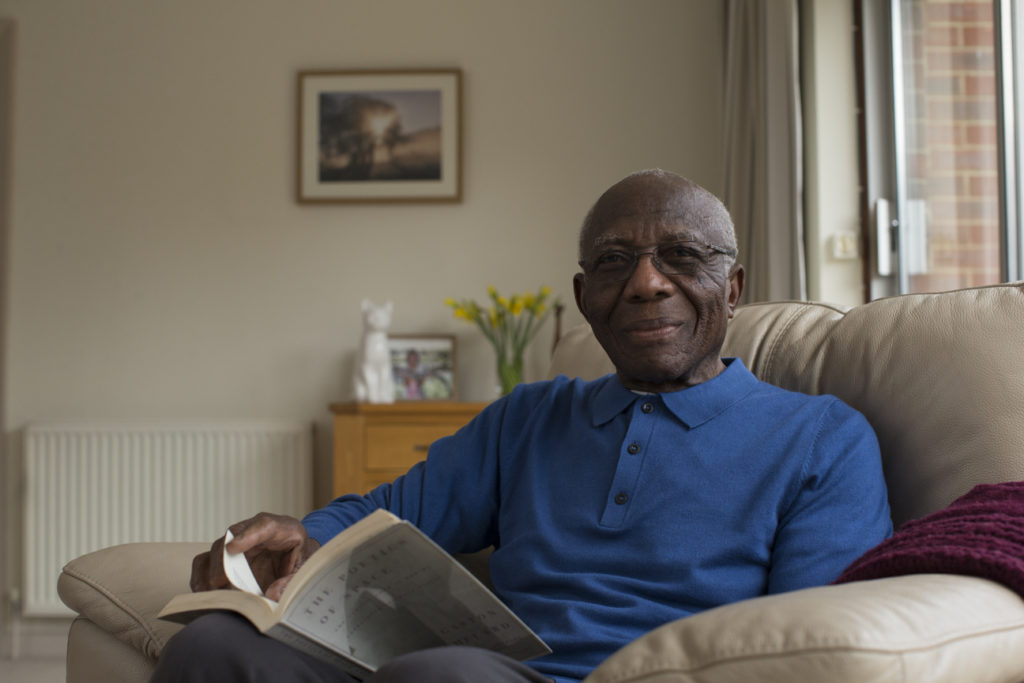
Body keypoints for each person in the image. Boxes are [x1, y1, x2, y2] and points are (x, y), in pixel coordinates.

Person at [153, 170, 892, 683]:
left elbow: (810, 645)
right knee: (214, 648)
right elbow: (391, 515)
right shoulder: (528, 416)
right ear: (584, 295)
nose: (645, 281)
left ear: (732, 288)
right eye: (614, 261)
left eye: (682, 255)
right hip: (477, 668)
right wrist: (299, 537)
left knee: (438, 675)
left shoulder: (823, 437)